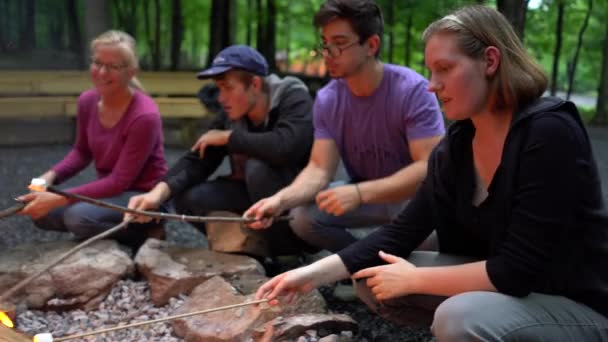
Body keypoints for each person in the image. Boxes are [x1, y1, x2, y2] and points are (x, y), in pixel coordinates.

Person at [254, 5, 608, 341]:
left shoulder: (548, 132)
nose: (432, 84)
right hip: (512, 288)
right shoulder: (459, 141)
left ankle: (472, 327)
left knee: (459, 317)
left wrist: (416, 279)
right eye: (430, 70)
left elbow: (518, 269)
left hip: (574, 301)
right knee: (370, 277)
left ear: (489, 60)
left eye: (444, 68)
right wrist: (305, 276)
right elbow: (403, 232)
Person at [244, 0, 445, 253]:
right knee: (302, 217)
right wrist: (279, 200)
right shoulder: (328, 99)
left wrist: (360, 193)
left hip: (413, 197)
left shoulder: (412, 89)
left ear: (371, 45)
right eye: (325, 45)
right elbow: (319, 169)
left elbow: (428, 167)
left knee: (431, 232)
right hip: (364, 192)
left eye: (339, 44)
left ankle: (396, 270)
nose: (328, 54)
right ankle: (359, 262)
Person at [127, 45, 314, 255]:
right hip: (253, 196)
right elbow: (198, 159)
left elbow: (286, 147)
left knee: (257, 170)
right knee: (189, 197)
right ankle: (254, 249)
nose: (221, 98)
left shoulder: (293, 98)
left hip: (299, 203)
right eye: (218, 88)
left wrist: (229, 138)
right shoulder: (233, 113)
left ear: (254, 84)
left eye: (228, 88)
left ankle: (292, 253)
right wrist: (156, 194)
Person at [18, 30, 168, 248]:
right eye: (97, 63)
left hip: (143, 196)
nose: (102, 72)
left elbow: (120, 180)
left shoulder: (144, 116)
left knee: (77, 218)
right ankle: (104, 225)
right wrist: (46, 180)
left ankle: (148, 234)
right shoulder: (87, 101)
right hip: (111, 191)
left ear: (131, 71)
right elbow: (81, 152)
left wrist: (60, 197)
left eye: (113, 66)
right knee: (40, 213)